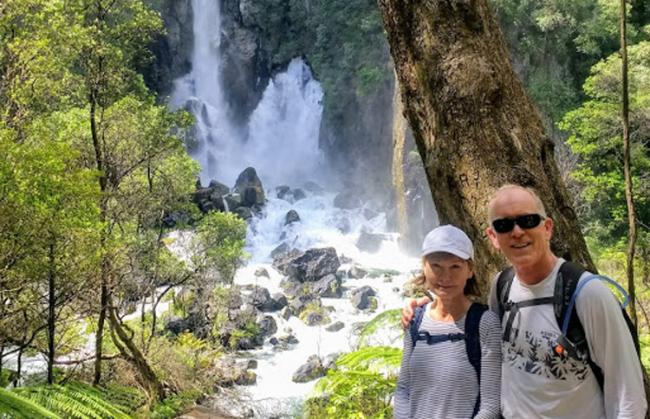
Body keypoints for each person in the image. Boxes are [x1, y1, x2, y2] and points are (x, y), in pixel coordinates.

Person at [402, 184, 647, 418]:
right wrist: (427, 306)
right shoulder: (502, 288)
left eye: (528, 220)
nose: (517, 231)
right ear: (493, 237)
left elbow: (628, 398)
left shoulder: (588, 294)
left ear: (548, 227)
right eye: (504, 225)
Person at [394, 224, 501, 419]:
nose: (446, 277)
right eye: (436, 266)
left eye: (455, 266)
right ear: (424, 266)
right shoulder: (415, 320)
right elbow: (403, 389)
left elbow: (491, 405)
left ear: (470, 270)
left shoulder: (485, 324)